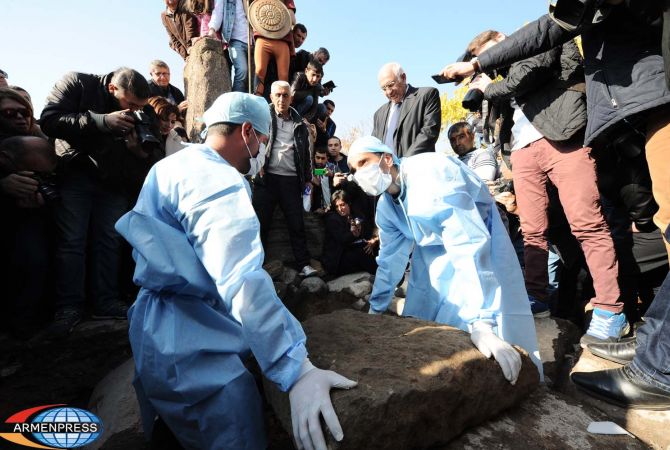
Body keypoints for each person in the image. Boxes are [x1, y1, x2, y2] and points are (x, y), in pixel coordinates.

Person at [441, 0, 668, 409]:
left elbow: (535, 64)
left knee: (588, 223)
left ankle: (612, 313)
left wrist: (482, 79)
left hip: (564, 136)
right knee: (532, 231)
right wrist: (484, 85)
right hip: (525, 151)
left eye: (489, 51)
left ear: (500, 40)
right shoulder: (504, 78)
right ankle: (536, 297)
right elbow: (496, 113)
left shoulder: (537, 39)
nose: (491, 61)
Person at [116, 92, 356, 449]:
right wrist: (295, 367)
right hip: (196, 348)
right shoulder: (217, 180)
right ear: (246, 130)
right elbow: (241, 280)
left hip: (154, 329)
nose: (260, 151)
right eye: (261, 139)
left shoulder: (167, 167)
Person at [348, 135, 543, 384]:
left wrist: (482, 322)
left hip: (478, 236)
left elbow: (467, 242)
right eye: (354, 169)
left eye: (364, 162)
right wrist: (375, 309)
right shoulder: (387, 207)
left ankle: (508, 365)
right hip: (431, 249)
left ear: (387, 158)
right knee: (425, 313)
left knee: (490, 319)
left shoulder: (430, 174)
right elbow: (389, 260)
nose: (358, 173)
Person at [40, 68, 164, 337]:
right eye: (129, 105)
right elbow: (49, 120)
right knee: (72, 242)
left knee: (109, 240)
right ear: (112, 90)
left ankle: (106, 301)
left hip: (115, 181)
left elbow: (151, 151)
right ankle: (69, 307)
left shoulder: (142, 110)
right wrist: (101, 121)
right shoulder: (78, 84)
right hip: (76, 175)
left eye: (139, 107)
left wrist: (138, 151)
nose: (133, 112)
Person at [252, 81, 318, 277]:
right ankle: (255, 265)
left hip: (291, 180)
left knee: (297, 225)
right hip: (266, 178)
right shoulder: (262, 117)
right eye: (278, 95)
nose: (281, 99)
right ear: (271, 97)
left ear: (291, 97)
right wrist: (257, 164)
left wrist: (308, 178)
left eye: (285, 95)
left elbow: (306, 153)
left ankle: (304, 265)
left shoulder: (300, 122)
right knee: (259, 224)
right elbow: (253, 142)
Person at [372, 63, 441, 158]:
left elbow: (429, 133)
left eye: (391, 85)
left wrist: (404, 163)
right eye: (384, 88)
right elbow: (374, 146)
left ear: (403, 77)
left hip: (418, 167)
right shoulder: (379, 114)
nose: (388, 92)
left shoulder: (427, 95)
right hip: (388, 171)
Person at [322, 190, 378, 276]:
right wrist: (353, 234)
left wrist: (372, 242)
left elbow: (367, 233)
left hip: (355, 251)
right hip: (338, 259)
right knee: (362, 252)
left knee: (373, 248)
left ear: (349, 203)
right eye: (337, 206)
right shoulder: (333, 219)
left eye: (342, 205)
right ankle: (380, 276)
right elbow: (342, 239)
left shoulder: (357, 215)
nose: (340, 209)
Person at [253, 0, 296, 97]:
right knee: (259, 71)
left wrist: (280, 11)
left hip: (282, 38)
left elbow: (292, 20)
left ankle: (282, 104)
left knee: (283, 77)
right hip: (263, 35)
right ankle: (257, 98)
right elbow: (250, 9)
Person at [208, 0, 250, 93]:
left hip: (253, 40)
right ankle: (236, 102)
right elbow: (218, 12)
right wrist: (212, 29)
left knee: (254, 77)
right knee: (242, 70)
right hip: (235, 40)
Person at [311, 146, 334, 213]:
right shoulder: (310, 169)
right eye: (318, 158)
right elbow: (314, 171)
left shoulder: (333, 167)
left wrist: (332, 175)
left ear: (327, 158)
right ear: (314, 157)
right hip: (316, 209)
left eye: (323, 158)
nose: (320, 161)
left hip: (332, 208)